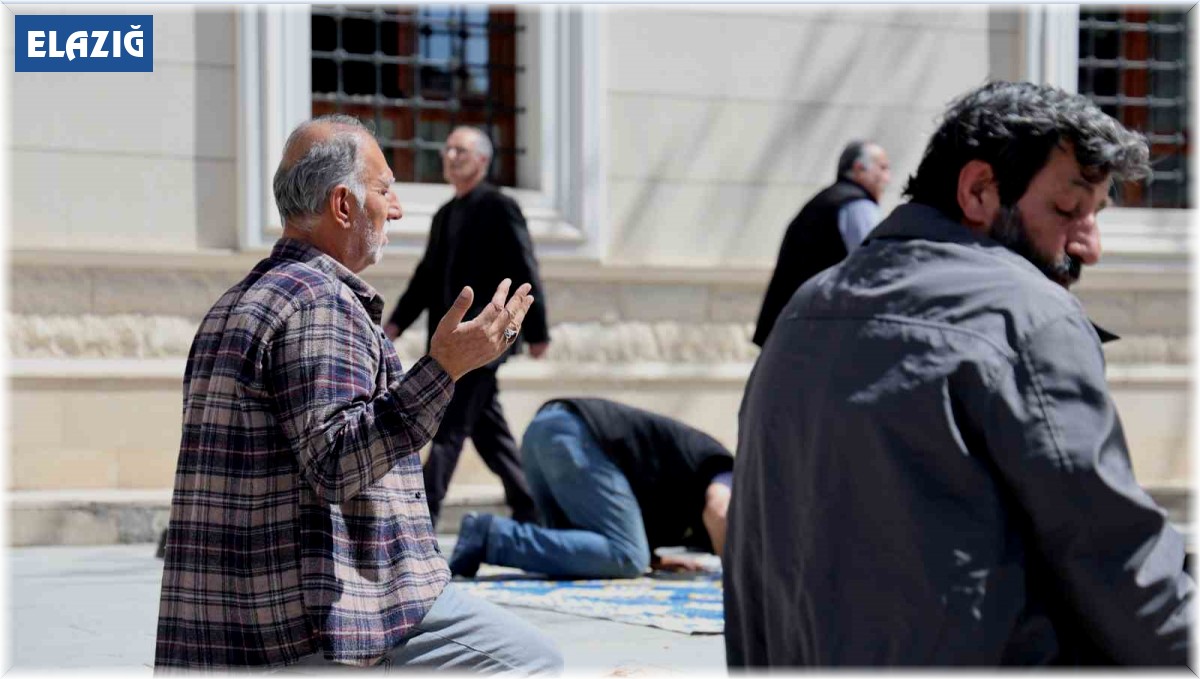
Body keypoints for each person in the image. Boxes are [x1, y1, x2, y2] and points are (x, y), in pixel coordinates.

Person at [724, 81, 1193, 666]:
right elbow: (1114, 560)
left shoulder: (806, 307)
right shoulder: (1027, 314)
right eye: (1069, 209)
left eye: (1096, 215)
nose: (1090, 246)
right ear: (978, 191)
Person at [155, 114, 562, 673]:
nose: (395, 208)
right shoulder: (321, 301)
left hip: (225, 630)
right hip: (316, 624)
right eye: (385, 189)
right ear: (343, 206)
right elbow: (336, 463)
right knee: (532, 661)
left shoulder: (233, 302)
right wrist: (443, 369)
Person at [385, 126, 550, 529]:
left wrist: (537, 330)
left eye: (460, 149)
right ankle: (532, 510)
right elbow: (426, 277)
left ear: (481, 160)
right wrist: (396, 322)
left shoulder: (500, 206)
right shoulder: (445, 214)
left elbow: (525, 266)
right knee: (491, 435)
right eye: (447, 149)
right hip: (452, 343)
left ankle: (419, 523)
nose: (450, 155)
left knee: (447, 428)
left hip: (485, 339)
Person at [448, 398, 734, 579]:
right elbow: (719, 511)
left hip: (545, 434)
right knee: (629, 558)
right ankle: (490, 536)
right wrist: (737, 577)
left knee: (571, 555)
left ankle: (488, 538)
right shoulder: (729, 471)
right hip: (575, 439)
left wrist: (654, 557)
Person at [752, 140, 891, 347]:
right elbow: (876, 267)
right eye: (882, 168)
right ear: (859, 168)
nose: (888, 178)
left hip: (791, 328)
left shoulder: (824, 202)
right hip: (818, 331)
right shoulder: (857, 205)